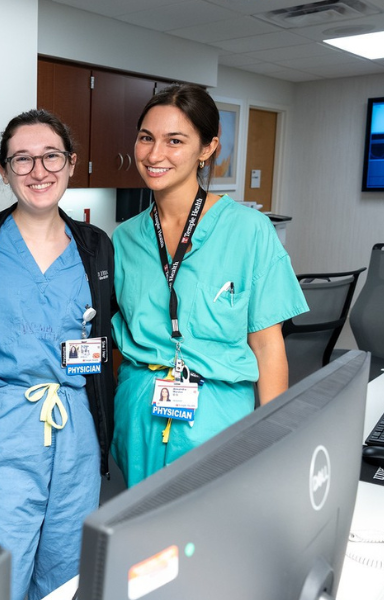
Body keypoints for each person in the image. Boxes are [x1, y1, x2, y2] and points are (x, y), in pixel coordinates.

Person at [0, 109, 115, 600]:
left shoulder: (96, 247)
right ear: (3, 170)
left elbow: (108, 336)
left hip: (77, 429)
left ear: (71, 164)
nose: (38, 171)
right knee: (4, 571)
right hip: (6, 426)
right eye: (22, 160)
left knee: (66, 574)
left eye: (51, 157)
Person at [111, 83, 308, 487]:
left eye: (175, 140)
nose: (154, 154)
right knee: (144, 539)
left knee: (212, 540)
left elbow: (268, 346)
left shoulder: (249, 230)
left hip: (217, 414)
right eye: (146, 138)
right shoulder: (125, 238)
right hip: (140, 412)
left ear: (207, 148)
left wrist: (274, 437)